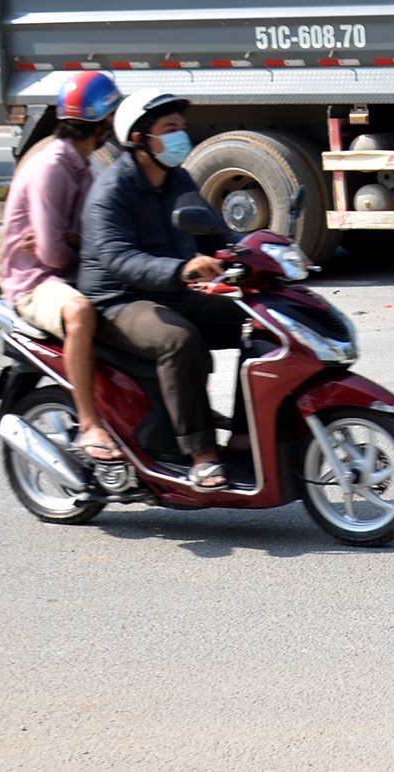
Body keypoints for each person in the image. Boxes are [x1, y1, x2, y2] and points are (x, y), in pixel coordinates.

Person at [78, 91, 241, 491]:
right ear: (139, 138)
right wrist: (181, 269)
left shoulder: (178, 179)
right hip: (119, 300)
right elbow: (119, 259)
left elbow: (213, 232)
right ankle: (201, 454)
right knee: (177, 339)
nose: (180, 136)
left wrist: (254, 250)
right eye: (170, 129)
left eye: (181, 128)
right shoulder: (111, 191)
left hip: (170, 291)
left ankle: (244, 436)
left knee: (259, 323)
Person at [1, 72, 123, 460]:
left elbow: (91, 238)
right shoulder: (51, 166)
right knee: (80, 312)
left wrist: (76, 240)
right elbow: (53, 254)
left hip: (65, 273)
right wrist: (72, 242)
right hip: (35, 282)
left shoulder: (81, 168)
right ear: (100, 125)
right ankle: (89, 424)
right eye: (110, 120)